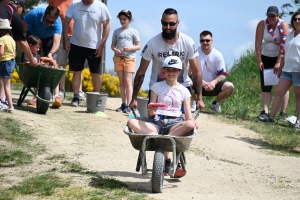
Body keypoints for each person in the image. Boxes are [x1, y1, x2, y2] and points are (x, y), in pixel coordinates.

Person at [127, 56, 198, 178]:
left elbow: (188, 115)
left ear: (179, 71)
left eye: (174, 70)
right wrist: (151, 109)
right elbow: (150, 114)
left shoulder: (184, 91)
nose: (171, 73)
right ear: (163, 71)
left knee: (190, 124)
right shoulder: (156, 87)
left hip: (174, 124)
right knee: (131, 122)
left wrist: (191, 121)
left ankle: (164, 148)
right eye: (168, 70)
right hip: (157, 122)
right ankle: (161, 143)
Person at [129, 8, 205, 112]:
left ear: (178, 23)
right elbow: (141, 71)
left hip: (182, 87)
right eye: (165, 24)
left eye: (171, 24)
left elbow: (196, 72)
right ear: (161, 22)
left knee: (182, 121)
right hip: (158, 88)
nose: (168, 27)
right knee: (156, 120)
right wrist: (134, 98)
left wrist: (199, 98)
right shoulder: (152, 43)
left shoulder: (188, 42)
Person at [63, 0, 111, 107]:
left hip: (94, 46)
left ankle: (96, 99)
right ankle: (76, 96)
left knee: (95, 72)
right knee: (76, 71)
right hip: (76, 43)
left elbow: (107, 26)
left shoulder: (101, 6)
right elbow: (66, 21)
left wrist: (102, 44)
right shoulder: (75, 4)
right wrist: (65, 39)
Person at [258, 11, 300, 130]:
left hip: (298, 69)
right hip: (287, 68)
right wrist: (280, 66)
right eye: (295, 19)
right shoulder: (291, 34)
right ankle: (271, 117)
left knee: (299, 96)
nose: (297, 21)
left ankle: (299, 121)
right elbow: (283, 52)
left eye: (299, 19)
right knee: (279, 91)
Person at [23, 5, 62, 108]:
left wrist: (50, 53)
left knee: (53, 63)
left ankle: (56, 96)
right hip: (33, 36)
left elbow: (57, 42)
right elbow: (21, 27)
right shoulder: (34, 14)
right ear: (44, 15)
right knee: (33, 65)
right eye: (47, 21)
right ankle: (36, 95)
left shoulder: (58, 22)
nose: (49, 24)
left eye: (52, 22)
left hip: (48, 38)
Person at [0, 0, 37, 108]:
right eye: (22, 11)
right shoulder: (13, 13)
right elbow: (22, 41)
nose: (21, 13)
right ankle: (2, 99)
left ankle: (2, 98)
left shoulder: (3, 8)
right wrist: (31, 59)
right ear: (18, 7)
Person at [255, 6, 290, 121]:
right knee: (266, 84)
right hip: (266, 56)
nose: (271, 18)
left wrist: (279, 61)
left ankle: (282, 112)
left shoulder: (283, 25)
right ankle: (265, 110)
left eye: (273, 16)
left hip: (281, 56)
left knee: (282, 83)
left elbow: (285, 44)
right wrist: (259, 60)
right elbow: (258, 43)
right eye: (269, 15)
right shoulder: (262, 24)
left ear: (277, 16)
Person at [48, 0, 85, 101]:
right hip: (59, 33)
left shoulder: (77, 1)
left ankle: (79, 91)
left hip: (75, 34)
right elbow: (49, 12)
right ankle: (61, 90)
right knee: (61, 63)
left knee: (78, 65)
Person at [197, 30, 234, 113]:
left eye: (207, 40)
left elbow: (223, 75)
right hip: (198, 84)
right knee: (186, 82)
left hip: (214, 85)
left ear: (212, 41)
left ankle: (216, 103)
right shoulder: (195, 53)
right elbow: (190, 72)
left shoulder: (218, 55)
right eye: (202, 40)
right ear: (199, 41)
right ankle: (193, 103)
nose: (205, 42)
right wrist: (202, 82)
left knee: (230, 86)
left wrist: (213, 83)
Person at [111, 9, 140, 113]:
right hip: (118, 58)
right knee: (122, 81)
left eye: (124, 19)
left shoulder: (134, 31)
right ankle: (123, 104)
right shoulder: (116, 31)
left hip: (129, 58)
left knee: (128, 81)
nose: (122, 21)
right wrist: (115, 49)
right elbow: (113, 45)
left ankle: (129, 104)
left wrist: (130, 48)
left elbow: (138, 46)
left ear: (129, 19)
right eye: (121, 19)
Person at [0, 18, 15, 113]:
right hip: (11, 62)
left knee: (6, 87)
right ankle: (9, 105)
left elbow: (1, 53)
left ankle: (10, 106)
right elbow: (14, 54)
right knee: (7, 85)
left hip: (4, 62)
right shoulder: (12, 40)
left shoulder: (1, 39)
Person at [21, 35, 41, 106]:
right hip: (28, 75)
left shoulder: (37, 55)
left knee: (40, 79)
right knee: (37, 80)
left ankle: (38, 96)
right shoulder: (27, 53)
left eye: (39, 48)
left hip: (35, 75)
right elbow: (26, 63)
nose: (38, 49)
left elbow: (38, 63)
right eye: (37, 47)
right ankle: (36, 97)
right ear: (30, 46)